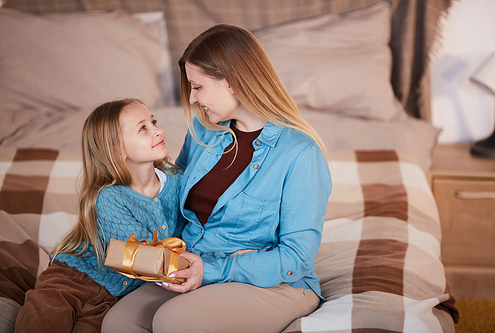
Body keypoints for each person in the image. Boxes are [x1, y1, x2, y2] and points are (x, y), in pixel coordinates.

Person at [102, 24, 332, 333]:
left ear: (233, 82)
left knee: (174, 322)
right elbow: (170, 201)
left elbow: (296, 258)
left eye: (198, 87)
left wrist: (215, 268)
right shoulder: (203, 133)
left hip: (274, 283)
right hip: (194, 265)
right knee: (119, 323)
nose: (193, 99)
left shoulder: (300, 153)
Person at [14, 98, 185, 333]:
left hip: (116, 295)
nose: (158, 130)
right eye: (143, 128)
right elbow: (138, 255)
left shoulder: (177, 180)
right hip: (74, 278)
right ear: (116, 150)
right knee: (43, 320)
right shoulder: (110, 197)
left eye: (154, 121)